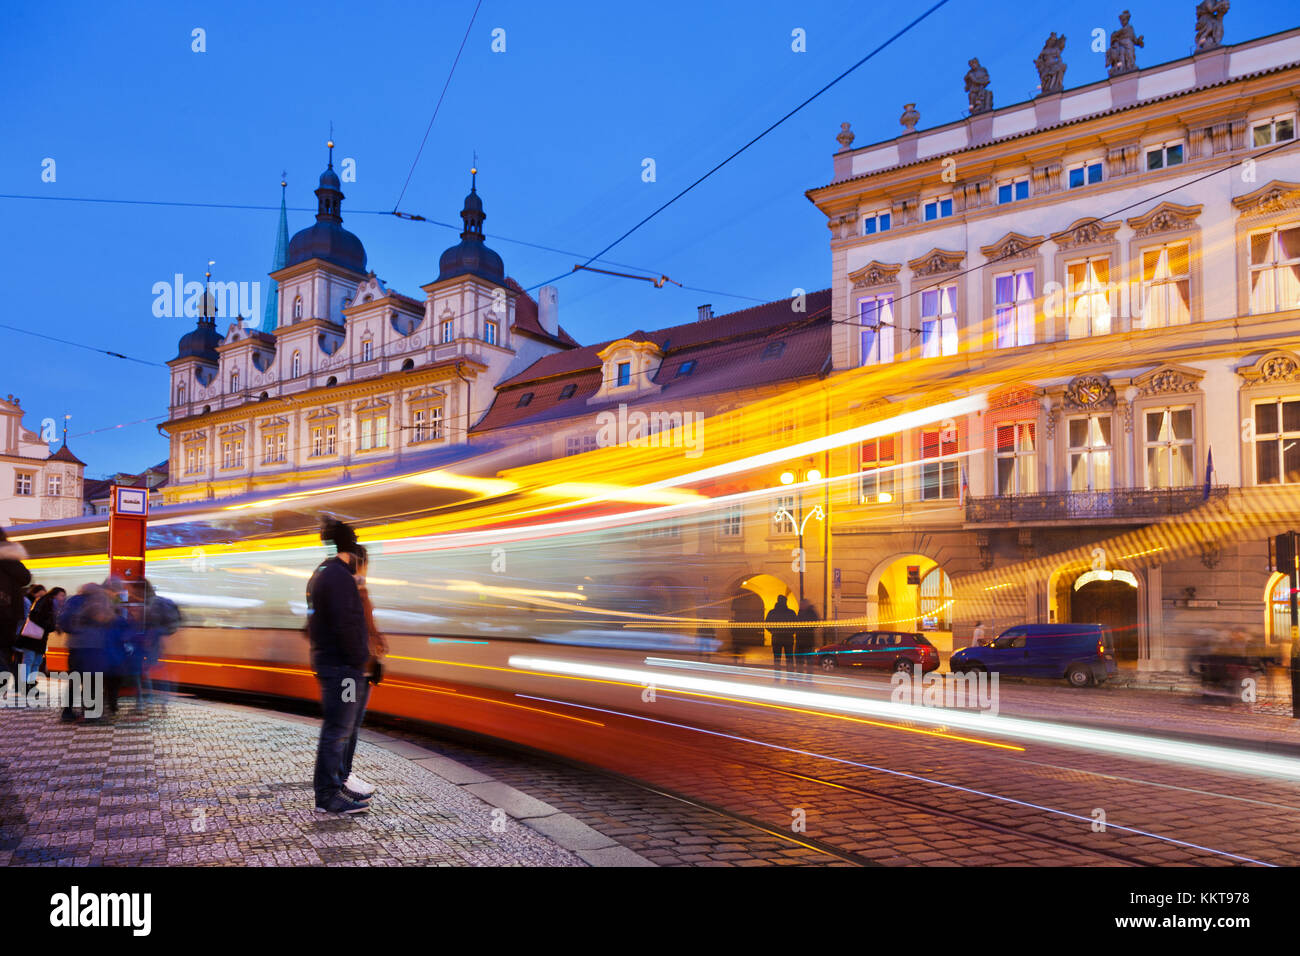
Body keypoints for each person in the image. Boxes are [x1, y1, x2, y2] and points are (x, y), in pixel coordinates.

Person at [306, 518, 373, 815]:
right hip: (343, 670)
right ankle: (328, 795)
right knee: (338, 730)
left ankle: (335, 788)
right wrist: (361, 661)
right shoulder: (338, 578)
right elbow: (347, 625)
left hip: (340, 666)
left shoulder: (330, 574)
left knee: (341, 729)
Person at [338, 544, 388, 799]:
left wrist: (378, 652)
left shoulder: (360, 590)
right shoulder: (347, 591)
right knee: (345, 724)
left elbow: (369, 626)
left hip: (363, 670)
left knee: (353, 725)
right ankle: (340, 779)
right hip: (350, 672)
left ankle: (346, 774)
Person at [0, 528, 33, 689]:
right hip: (9, 615)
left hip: (6, 613)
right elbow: (26, 578)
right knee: (6, 650)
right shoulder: (12, 561)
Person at [18, 586, 65, 684]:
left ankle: (30, 683)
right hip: (32, 636)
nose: (63, 598)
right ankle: (25, 683)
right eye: (62, 595)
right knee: (29, 660)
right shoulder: (46, 602)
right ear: (55, 595)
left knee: (36, 661)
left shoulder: (51, 604)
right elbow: (35, 616)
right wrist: (51, 626)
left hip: (40, 637)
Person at [765, 594, 798, 678]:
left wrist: (773, 631)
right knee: (789, 659)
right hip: (788, 638)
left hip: (776, 637)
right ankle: (790, 676)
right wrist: (791, 632)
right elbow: (796, 625)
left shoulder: (772, 612)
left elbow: (767, 624)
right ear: (785, 602)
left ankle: (777, 676)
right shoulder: (791, 612)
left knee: (777, 659)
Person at [796, 600, 821, 674]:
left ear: (805, 605)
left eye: (801, 604)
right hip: (800, 639)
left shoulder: (811, 612)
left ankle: (809, 676)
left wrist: (806, 628)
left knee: (808, 659)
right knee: (799, 659)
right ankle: (799, 674)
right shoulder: (800, 612)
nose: (800, 606)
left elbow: (816, 623)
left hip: (808, 639)